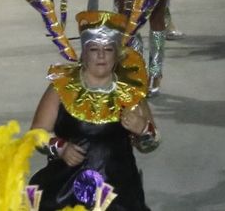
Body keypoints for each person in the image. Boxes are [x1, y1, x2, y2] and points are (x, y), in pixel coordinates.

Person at [29, 11, 158, 211]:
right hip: (66, 188)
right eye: (94, 49)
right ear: (84, 52)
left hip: (117, 192)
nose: (100, 55)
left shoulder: (129, 92)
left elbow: (150, 142)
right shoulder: (62, 86)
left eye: (107, 49)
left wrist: (143, 128)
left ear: (117, 55)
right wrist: (62, 148)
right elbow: (37, 133)